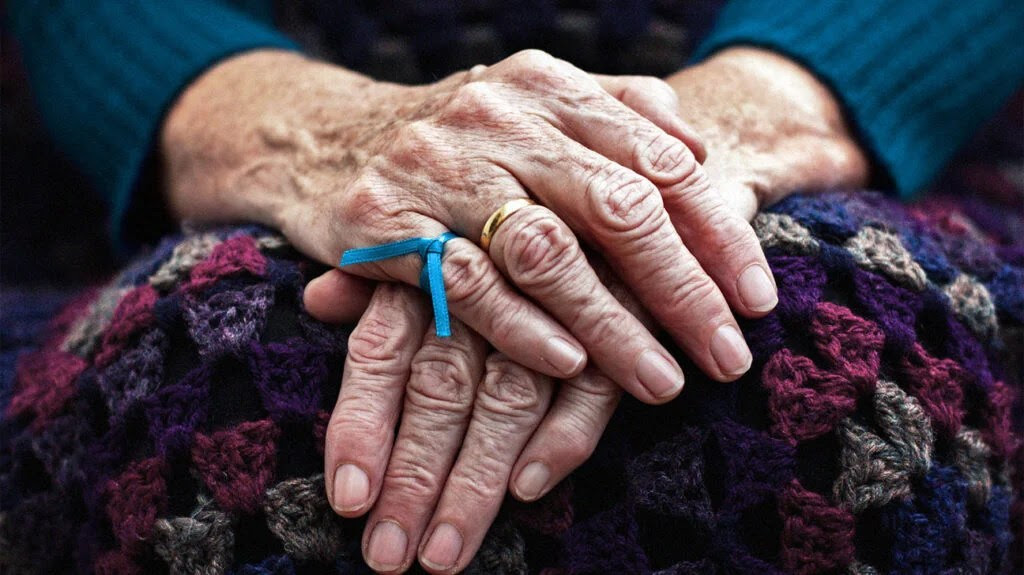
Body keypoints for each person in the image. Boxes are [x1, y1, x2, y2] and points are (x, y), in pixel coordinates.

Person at [6, 1, 1023, 573]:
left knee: (796, 350)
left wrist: (674, 147)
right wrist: (300, 129)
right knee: (228, 365)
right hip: (220, 126)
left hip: (846, 112)